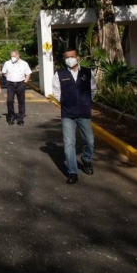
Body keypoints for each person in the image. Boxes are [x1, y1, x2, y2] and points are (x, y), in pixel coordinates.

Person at [52, 48, 97, 184]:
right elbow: (56, 91)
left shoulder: (88, 72)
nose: (69, 59)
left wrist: (86, 102)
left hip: (84, 112)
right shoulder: (60, 74)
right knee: (69, 143)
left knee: (89, 140)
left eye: (72, 56)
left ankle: (87, 159)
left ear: (78, 57)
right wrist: (66, 102)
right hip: (68, 114)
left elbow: (93, 89)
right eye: (66, 57)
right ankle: (72, 172)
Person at [0, 50, 32, 126]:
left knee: (21, 101)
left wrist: (25, 83)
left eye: (14, 56)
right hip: (10, 84)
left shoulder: (24, 64)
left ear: (18, 55)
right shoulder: (7, 63)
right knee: (10, 101)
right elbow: (4, 72)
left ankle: (20, 119)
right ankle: (11, 117)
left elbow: (28, 74)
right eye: (11, 56)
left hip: (20, 83)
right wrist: (8, 77)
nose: (12, 58)